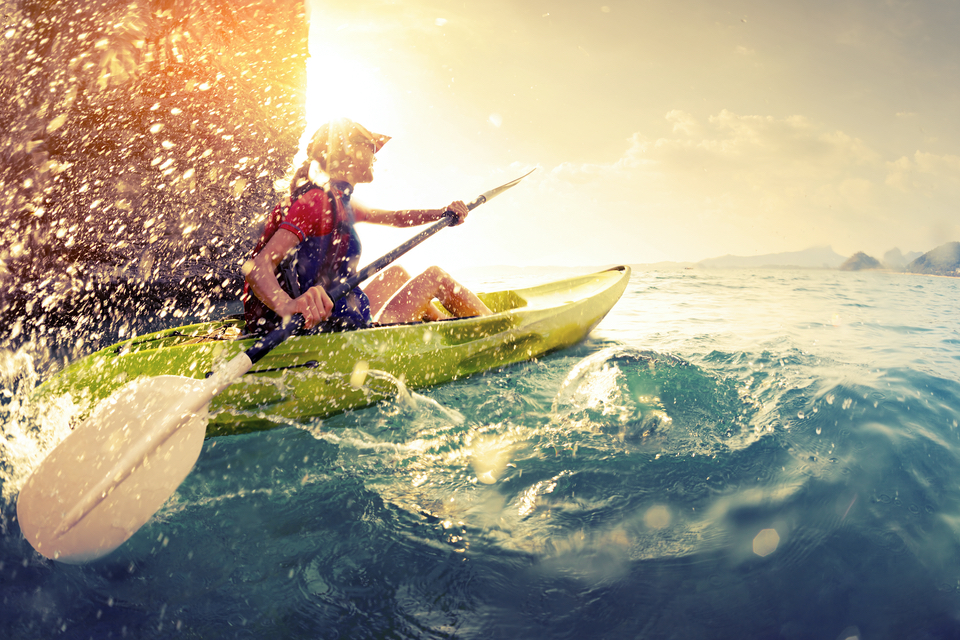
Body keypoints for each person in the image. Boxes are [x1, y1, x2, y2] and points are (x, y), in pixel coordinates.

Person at [241, 118, 492, 333]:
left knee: (399, 275)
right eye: (372, 147)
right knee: (436, 277)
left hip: (344, 315)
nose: (376, 157)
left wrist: (442, 212)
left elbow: (396, 218)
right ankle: (496, 334)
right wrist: (287, 306)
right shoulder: (317, 201)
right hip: (331, 329)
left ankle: (447, 328)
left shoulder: (341, 201)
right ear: (351, 152)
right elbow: (258, 267)